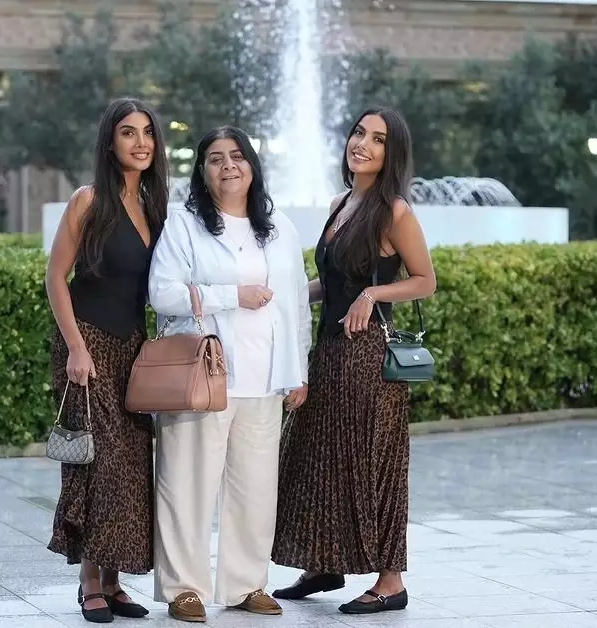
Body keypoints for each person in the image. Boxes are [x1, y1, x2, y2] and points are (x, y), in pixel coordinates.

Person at [271, 106, 437, 615]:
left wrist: (373, 294)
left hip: (368, 359)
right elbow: (332, 283)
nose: (362, 144)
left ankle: (391, 581)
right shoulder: (341, 204)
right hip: (328, 352)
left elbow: (425, 280)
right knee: (318, 458)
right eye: (359, 133)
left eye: (378, 139)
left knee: (372, 463)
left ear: (392, 153)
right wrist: (286, 295)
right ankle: (324, 563)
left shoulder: (395, 212)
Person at [147, 125, 312, 623]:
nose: (228, 166)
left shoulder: (279, 228)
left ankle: (245, 584)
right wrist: (230, 296)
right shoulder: (184, 225)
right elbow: (162, 293)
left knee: (255, 489)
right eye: (216, 158)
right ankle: (183, 588)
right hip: (204, 378)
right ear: (203, 171)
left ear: (252, 165)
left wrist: (299, 369)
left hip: (265, 379)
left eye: (237, 156)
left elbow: (298, 304)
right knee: (186, 485)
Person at [44, 97, 170, 624]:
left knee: (130, 466)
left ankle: (115, 582)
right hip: (89, 343)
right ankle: (89, 582)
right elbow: (55, 277)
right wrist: (76, 346)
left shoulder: (155, 204)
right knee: (99, 464)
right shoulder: (88, 200)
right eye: (128, 132)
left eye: (147, 132)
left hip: (132, 348)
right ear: (110, 142)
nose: (140, 142)